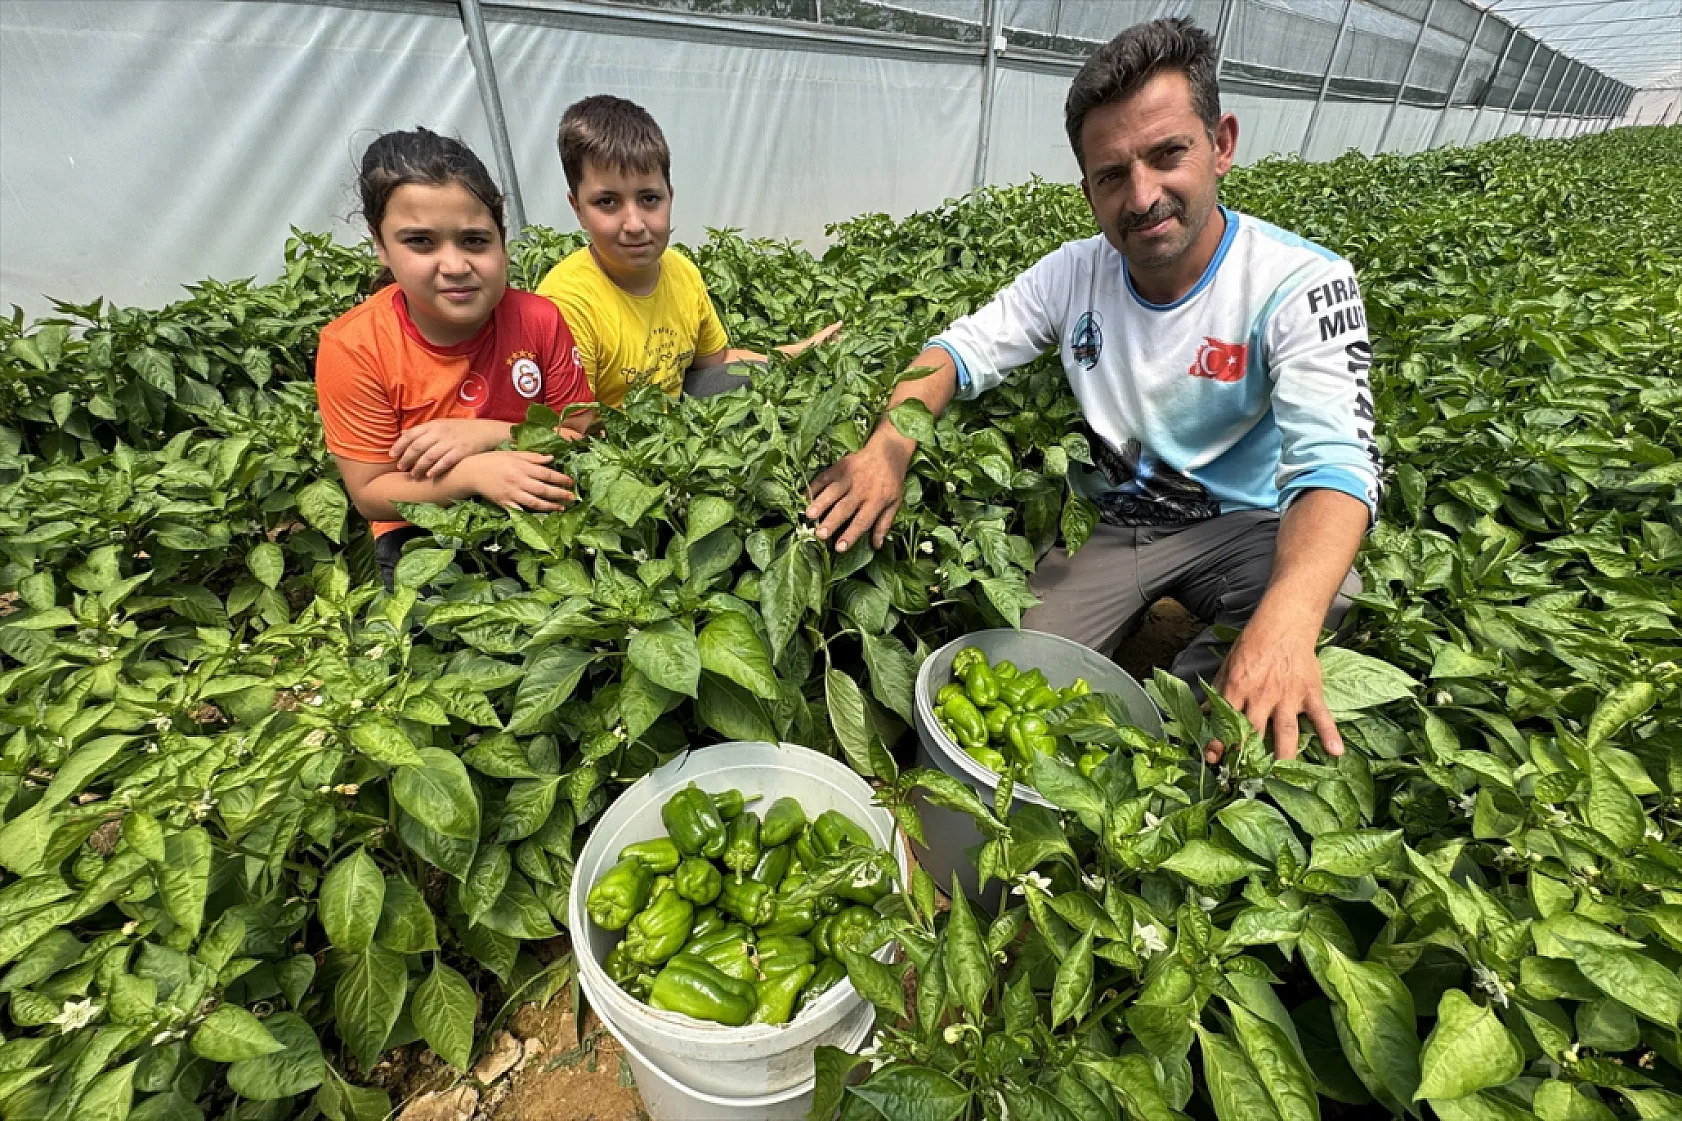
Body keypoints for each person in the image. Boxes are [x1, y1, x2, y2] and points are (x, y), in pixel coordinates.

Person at [804, 19, 1381, 765]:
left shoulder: (1300, 282)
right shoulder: (1073, 274)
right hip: (1113, 522)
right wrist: (888, 444)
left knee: (1329, 593)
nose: (1143, 196)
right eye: (1113, 174)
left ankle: (1183, 750)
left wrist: (1286, 621)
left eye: (1167, 154)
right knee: (1015, 682)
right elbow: (956, 350)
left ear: (1222, 144)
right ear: (1088, 192)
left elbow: (1337, 465)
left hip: (1241, 529)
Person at [316, 128, 594, 587]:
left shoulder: (539, 319)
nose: (455, 265)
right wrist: (470, 477)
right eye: (421, 242)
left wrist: (486, 435)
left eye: (474, 240)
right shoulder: (354, 346)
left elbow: (581, 437)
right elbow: (370, 494)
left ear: (502, 240)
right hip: (421, 525)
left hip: (539, 497)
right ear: (381, 245)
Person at [535, 95, 839, 406]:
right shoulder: (566, 306)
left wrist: (796, 353)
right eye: (607, 202)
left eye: (649, 199)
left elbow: (717, 360)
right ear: (577, 209)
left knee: (754, 378)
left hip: (672, 426)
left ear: (670, 195)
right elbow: (572, 432)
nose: (635, 224)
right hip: (608, 446)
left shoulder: (681, 271)